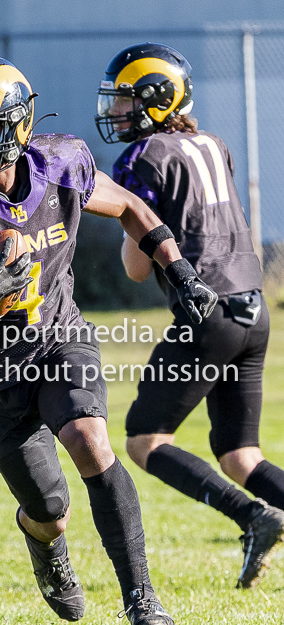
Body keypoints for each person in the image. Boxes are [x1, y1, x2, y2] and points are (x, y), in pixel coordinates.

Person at [0, 55, 217, 625]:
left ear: (17, 128)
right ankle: (44, 543)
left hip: (57, 338)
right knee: (49, 507)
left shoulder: (60, 164)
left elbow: (130, 207)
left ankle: (141, 600)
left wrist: (180, 272)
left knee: (90, 440)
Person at [95, 42, 284, 589]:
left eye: (125, 101)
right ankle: (258, 511)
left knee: (144, 439)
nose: (114, 113)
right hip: (254, 310)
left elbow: (135, 266)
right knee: (239, 453)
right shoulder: (211, 142)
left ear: (155, 100)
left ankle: (254, 518)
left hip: (210, 314)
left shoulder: (142, 158)